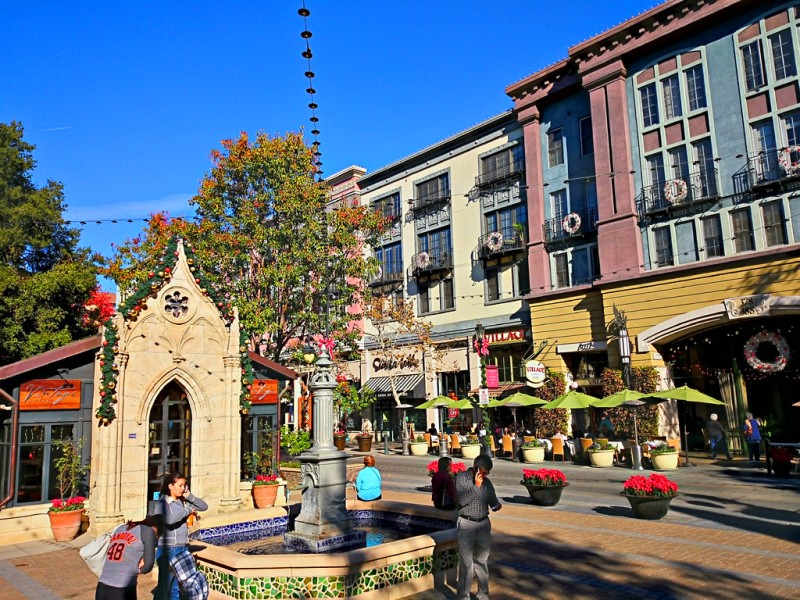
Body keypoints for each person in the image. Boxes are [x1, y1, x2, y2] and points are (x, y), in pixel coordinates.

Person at [154, 472, 208, 600]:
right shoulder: (163, 503)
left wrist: (189, 496)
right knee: (164, 587)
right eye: (180, 485)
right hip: (169, 549)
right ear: (170, 486)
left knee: (177, 587)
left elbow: (204, 506)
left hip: (182, 548)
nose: (183, 488)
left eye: (184, 485)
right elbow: (170, 519)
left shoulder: (182, 502)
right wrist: (189, 510)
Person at [455, 454, 501, 600]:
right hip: (466, 523)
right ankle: (463, 596)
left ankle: (483, 595)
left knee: (482, 562)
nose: (485, 475)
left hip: (483, 524)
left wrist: (496, 505)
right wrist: (476, 487)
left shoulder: (487, 482)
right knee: (467, 564)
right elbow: (461, 501)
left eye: (487, 473)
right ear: (476, 467)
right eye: (484, 472)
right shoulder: (462, 478)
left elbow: (492, 499)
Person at [96, 514, 163, 600]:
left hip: (102, 586)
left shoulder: (121, 528)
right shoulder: (148, 531)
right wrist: (138, 568)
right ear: (155, 528)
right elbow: (148, 566)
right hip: (123, 588)